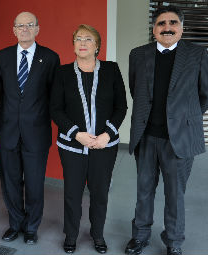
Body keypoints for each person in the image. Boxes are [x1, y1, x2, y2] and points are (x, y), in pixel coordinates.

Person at [125, 6, 208, 255]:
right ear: (154, 29)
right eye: (161, 23)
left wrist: (184, 119)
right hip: (146, 137)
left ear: (181, 27)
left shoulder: (197, 54)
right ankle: (140, 236)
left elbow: (206, 94)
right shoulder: (138, 54)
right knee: (143, 192)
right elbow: (136, 90)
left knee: (175, 195)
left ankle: (174, 242)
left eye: (173, 22)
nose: (167, 27)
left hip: (180, 139)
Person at [50, 24, 127, 254]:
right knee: (72, 194)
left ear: (97, 46)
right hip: (72, 146)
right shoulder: (62, 73)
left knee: (100, 193)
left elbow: (121, 106)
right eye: (78, 39)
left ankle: (98, 235)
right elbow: (55, 109)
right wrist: (76, 134)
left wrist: (107, 134)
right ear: (73, 45)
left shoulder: (111, 70)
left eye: (88, 39)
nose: (82, 43)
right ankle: (71, 235)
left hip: (104, 146)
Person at [0, 11, 60, 245]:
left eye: (29, 25)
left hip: (36, 134)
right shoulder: (1, 57)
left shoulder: (50, 58)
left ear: (37, 29)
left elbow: (54, 98)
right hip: (8, 132)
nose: (24, 29)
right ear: (14, 30)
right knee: (10, 183)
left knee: (34, 184)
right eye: (20, 25)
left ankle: (31, 227)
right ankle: (15, 224)